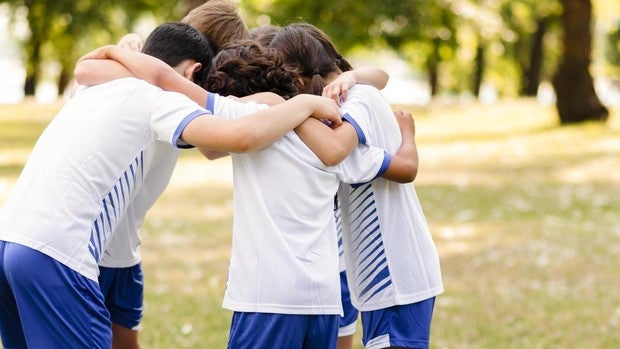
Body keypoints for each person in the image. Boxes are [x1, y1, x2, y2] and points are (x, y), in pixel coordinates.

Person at [0, 22, 342, 349]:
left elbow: (87, 68)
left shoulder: (96, 87)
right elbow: (238, 137)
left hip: (9, 241)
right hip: (56, 253)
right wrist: (302, 103)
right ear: (193, 72)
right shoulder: (158, 99)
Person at [270, 23, 444, 349]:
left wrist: (282, 107)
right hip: (393, 277)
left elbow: (339, 152)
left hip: (395, 277)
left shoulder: (352, 109)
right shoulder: (353, 100)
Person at [97, 3, 253, 348]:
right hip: (89, 253)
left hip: (123, 251)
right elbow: (218, 147)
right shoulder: (166, 95)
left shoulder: (182, 93)